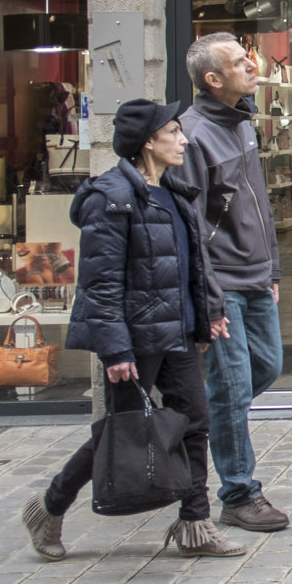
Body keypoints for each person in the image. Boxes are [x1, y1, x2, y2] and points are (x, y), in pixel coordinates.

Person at [21, 99, 243, 560]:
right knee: (122, 432)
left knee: (194, 423)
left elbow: (194, 266)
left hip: (178, 332)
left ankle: (194, 525)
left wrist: (210, 312)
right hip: (135, 339)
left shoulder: (176, 193)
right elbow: (100, 285)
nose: (184, 140)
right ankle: (49, 507)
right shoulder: (111, 198)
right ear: (148, 141)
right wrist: (115, 350)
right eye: (174, 132)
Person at [177, 32, 290, 531]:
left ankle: (197, 411)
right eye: (241, 62)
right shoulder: (192, 135)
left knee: (266, 367)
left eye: (249, 58)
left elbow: (257, 205)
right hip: (221, 283)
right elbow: (192, 225)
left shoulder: (243, 124)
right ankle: (240, 493)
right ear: (212, 79)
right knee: (233, 386)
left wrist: (273, 270)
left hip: (256, 277)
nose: (252, 66)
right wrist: (210, 299)